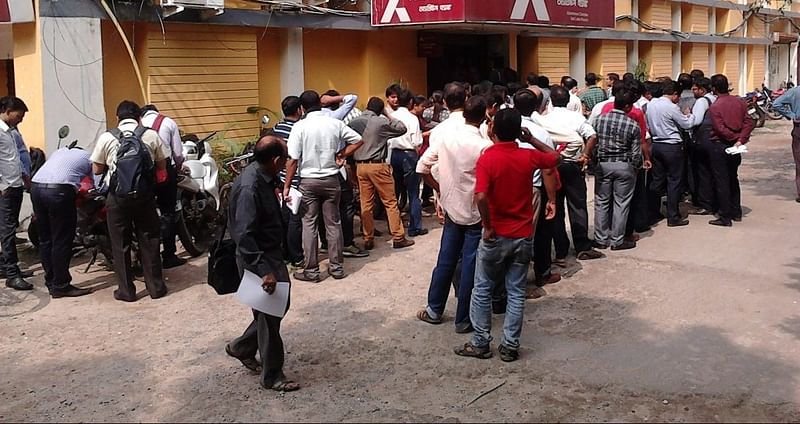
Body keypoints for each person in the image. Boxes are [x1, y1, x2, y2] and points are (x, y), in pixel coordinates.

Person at [455, 107, 560, 362]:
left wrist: (488, 226)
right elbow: (554, 158)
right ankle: (510, 345)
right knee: (515, 291)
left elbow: (480, 195)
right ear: (518, 132)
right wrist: (531, 139)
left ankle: (481, 341)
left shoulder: (488, 158)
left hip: (495, 235)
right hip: (522, 234)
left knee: (482, 289)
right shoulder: (527, 156)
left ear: (493, 130)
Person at [225, 135, 300, 392]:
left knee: (277, 306)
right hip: (257, 257)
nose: (288, 161)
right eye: (286, 157)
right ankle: (272, 375)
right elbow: (244, 233)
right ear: (276, 160)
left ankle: (242, 346)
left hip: (270, 254)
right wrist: (263, 270)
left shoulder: (265, 177)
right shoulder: (249, 186)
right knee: (269, 315)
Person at [416, 93, 492, 334]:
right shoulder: (484, 146)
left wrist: (440, 188)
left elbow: (422, 167)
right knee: (470, 264)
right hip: (475, 210)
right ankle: (464, 318)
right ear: (483, 117)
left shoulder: (446, 138)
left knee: (446, 259)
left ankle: (434, 309)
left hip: (451, 207)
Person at [91, 100, 169, 302]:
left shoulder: (107, 137)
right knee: (150, 239)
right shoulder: (150, 134)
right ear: (139, 117)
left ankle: (126, 291)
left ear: (117, 118)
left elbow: (97, 169)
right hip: (144, 196)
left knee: (120, 243)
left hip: (117, 198)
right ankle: (156, 288)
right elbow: (162, 165)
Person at [284, 90, 363, 282]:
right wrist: (342, 154)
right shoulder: (334, 123)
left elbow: (293, 160)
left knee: (309, 224)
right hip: (331, 179)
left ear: (302, 108)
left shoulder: (300, 127)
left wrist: (287, 186)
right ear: (320, 103)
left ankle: (311, 270)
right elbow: (358, 140)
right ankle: (336, 267)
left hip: (308, 182)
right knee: (333, 223)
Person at [533, 85, 602, 264]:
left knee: (555, 205)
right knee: (578, 205)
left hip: (552, 166)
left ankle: (561, 250)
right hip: (573, 165)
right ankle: (582, 246)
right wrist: (585, 154)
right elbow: (592, 136)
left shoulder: (543, 119)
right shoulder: (576, 117)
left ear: (551, 102)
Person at [348, 97, 414, 250]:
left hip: (360, 166)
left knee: (366, 203)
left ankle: (368, 237)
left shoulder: (354, 122)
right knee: (390, 202)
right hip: (377, 165)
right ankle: (398, 236)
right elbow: (401, 128)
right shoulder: (380, 122)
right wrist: (388, 114)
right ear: (380, 110)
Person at [30, 145, 93, 298]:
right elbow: (95, 183)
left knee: (45, 239)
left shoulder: (59, 152)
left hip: (36, 188)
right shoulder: (90, 157)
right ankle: (61, 285)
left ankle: (51, 280)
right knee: (61, 240)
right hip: (58, 192)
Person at [584, 91, 643, 250]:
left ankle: (601, 239)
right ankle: (617, 240)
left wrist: (593, 160)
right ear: (628, 106)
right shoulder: (632, 125)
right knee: (621, 204)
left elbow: (591, 140)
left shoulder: (598, 120)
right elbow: (636, 153)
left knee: (601, 201)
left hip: (603, 165)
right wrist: (636, 168)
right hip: (624, 165)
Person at [140, 104, 186, 269]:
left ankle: (149, 259)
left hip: (143, 176)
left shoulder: (138, 125)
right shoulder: (168, 122)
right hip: (164, 172)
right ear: (156, 111)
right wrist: (179, 166)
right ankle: (168, 255)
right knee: (168, 213)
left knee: (146, 216)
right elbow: (178, 154)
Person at [645, 80, 695, 227]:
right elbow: (687, 125)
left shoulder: (651, 104)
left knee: (657, 180)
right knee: (674, 181)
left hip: (657, 144)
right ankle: (673, 216)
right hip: (672, 145)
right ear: (674, 95)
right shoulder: (672, 107)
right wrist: (689, 115)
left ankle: (652, 212)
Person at [707, 74, 754, 226]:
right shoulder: (739, 102)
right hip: (736, 146)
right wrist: (740, 139)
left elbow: (720, 129)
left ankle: (725, 216)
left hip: (721, 145)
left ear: (714, 89)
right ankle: (736, 212)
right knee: (733, 178)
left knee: (722, 181)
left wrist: (735, 139)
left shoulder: (715, 106)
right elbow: (748, 122)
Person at [0, 96, 32, 290]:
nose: (20, 119)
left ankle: (8, 267)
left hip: (15, 185)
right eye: (19, 115)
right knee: (8, 232)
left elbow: (14, 158)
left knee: (8, 228)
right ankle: (12, 273)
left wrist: (24, 177)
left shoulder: (11, 132)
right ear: (8, 111)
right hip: (5, 189)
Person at [388, 89, 427, 237]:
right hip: (409, 154)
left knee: (395, 190)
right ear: (410, 102)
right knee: (413, 192)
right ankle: (415, 227)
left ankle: (395, 225)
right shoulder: (412, 119)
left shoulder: (392, 116)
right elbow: (417, 141)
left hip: (395, 154)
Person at [273, 96, 304, 269]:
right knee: (295, 219)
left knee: (284, 217)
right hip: (295, 180)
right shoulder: (299, 129)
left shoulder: (277, 128)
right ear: (299, 109)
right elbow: (294, 159)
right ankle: (296, 256)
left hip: (280, 177)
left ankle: (284, 253)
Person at [688, 77, 718, 214]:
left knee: (703, 172)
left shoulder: (701, 101)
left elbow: (696, 120)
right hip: (713, 139)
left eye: (695, 89)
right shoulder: (713, 99)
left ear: (702, 90)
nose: (692, 91)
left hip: (702, 139)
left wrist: (688, 115)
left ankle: (705, 203)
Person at [771, 83, 800, 202]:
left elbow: (776, 103)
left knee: (799, 162)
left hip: (798, 128)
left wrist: (792, 115)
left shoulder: (795, 91)